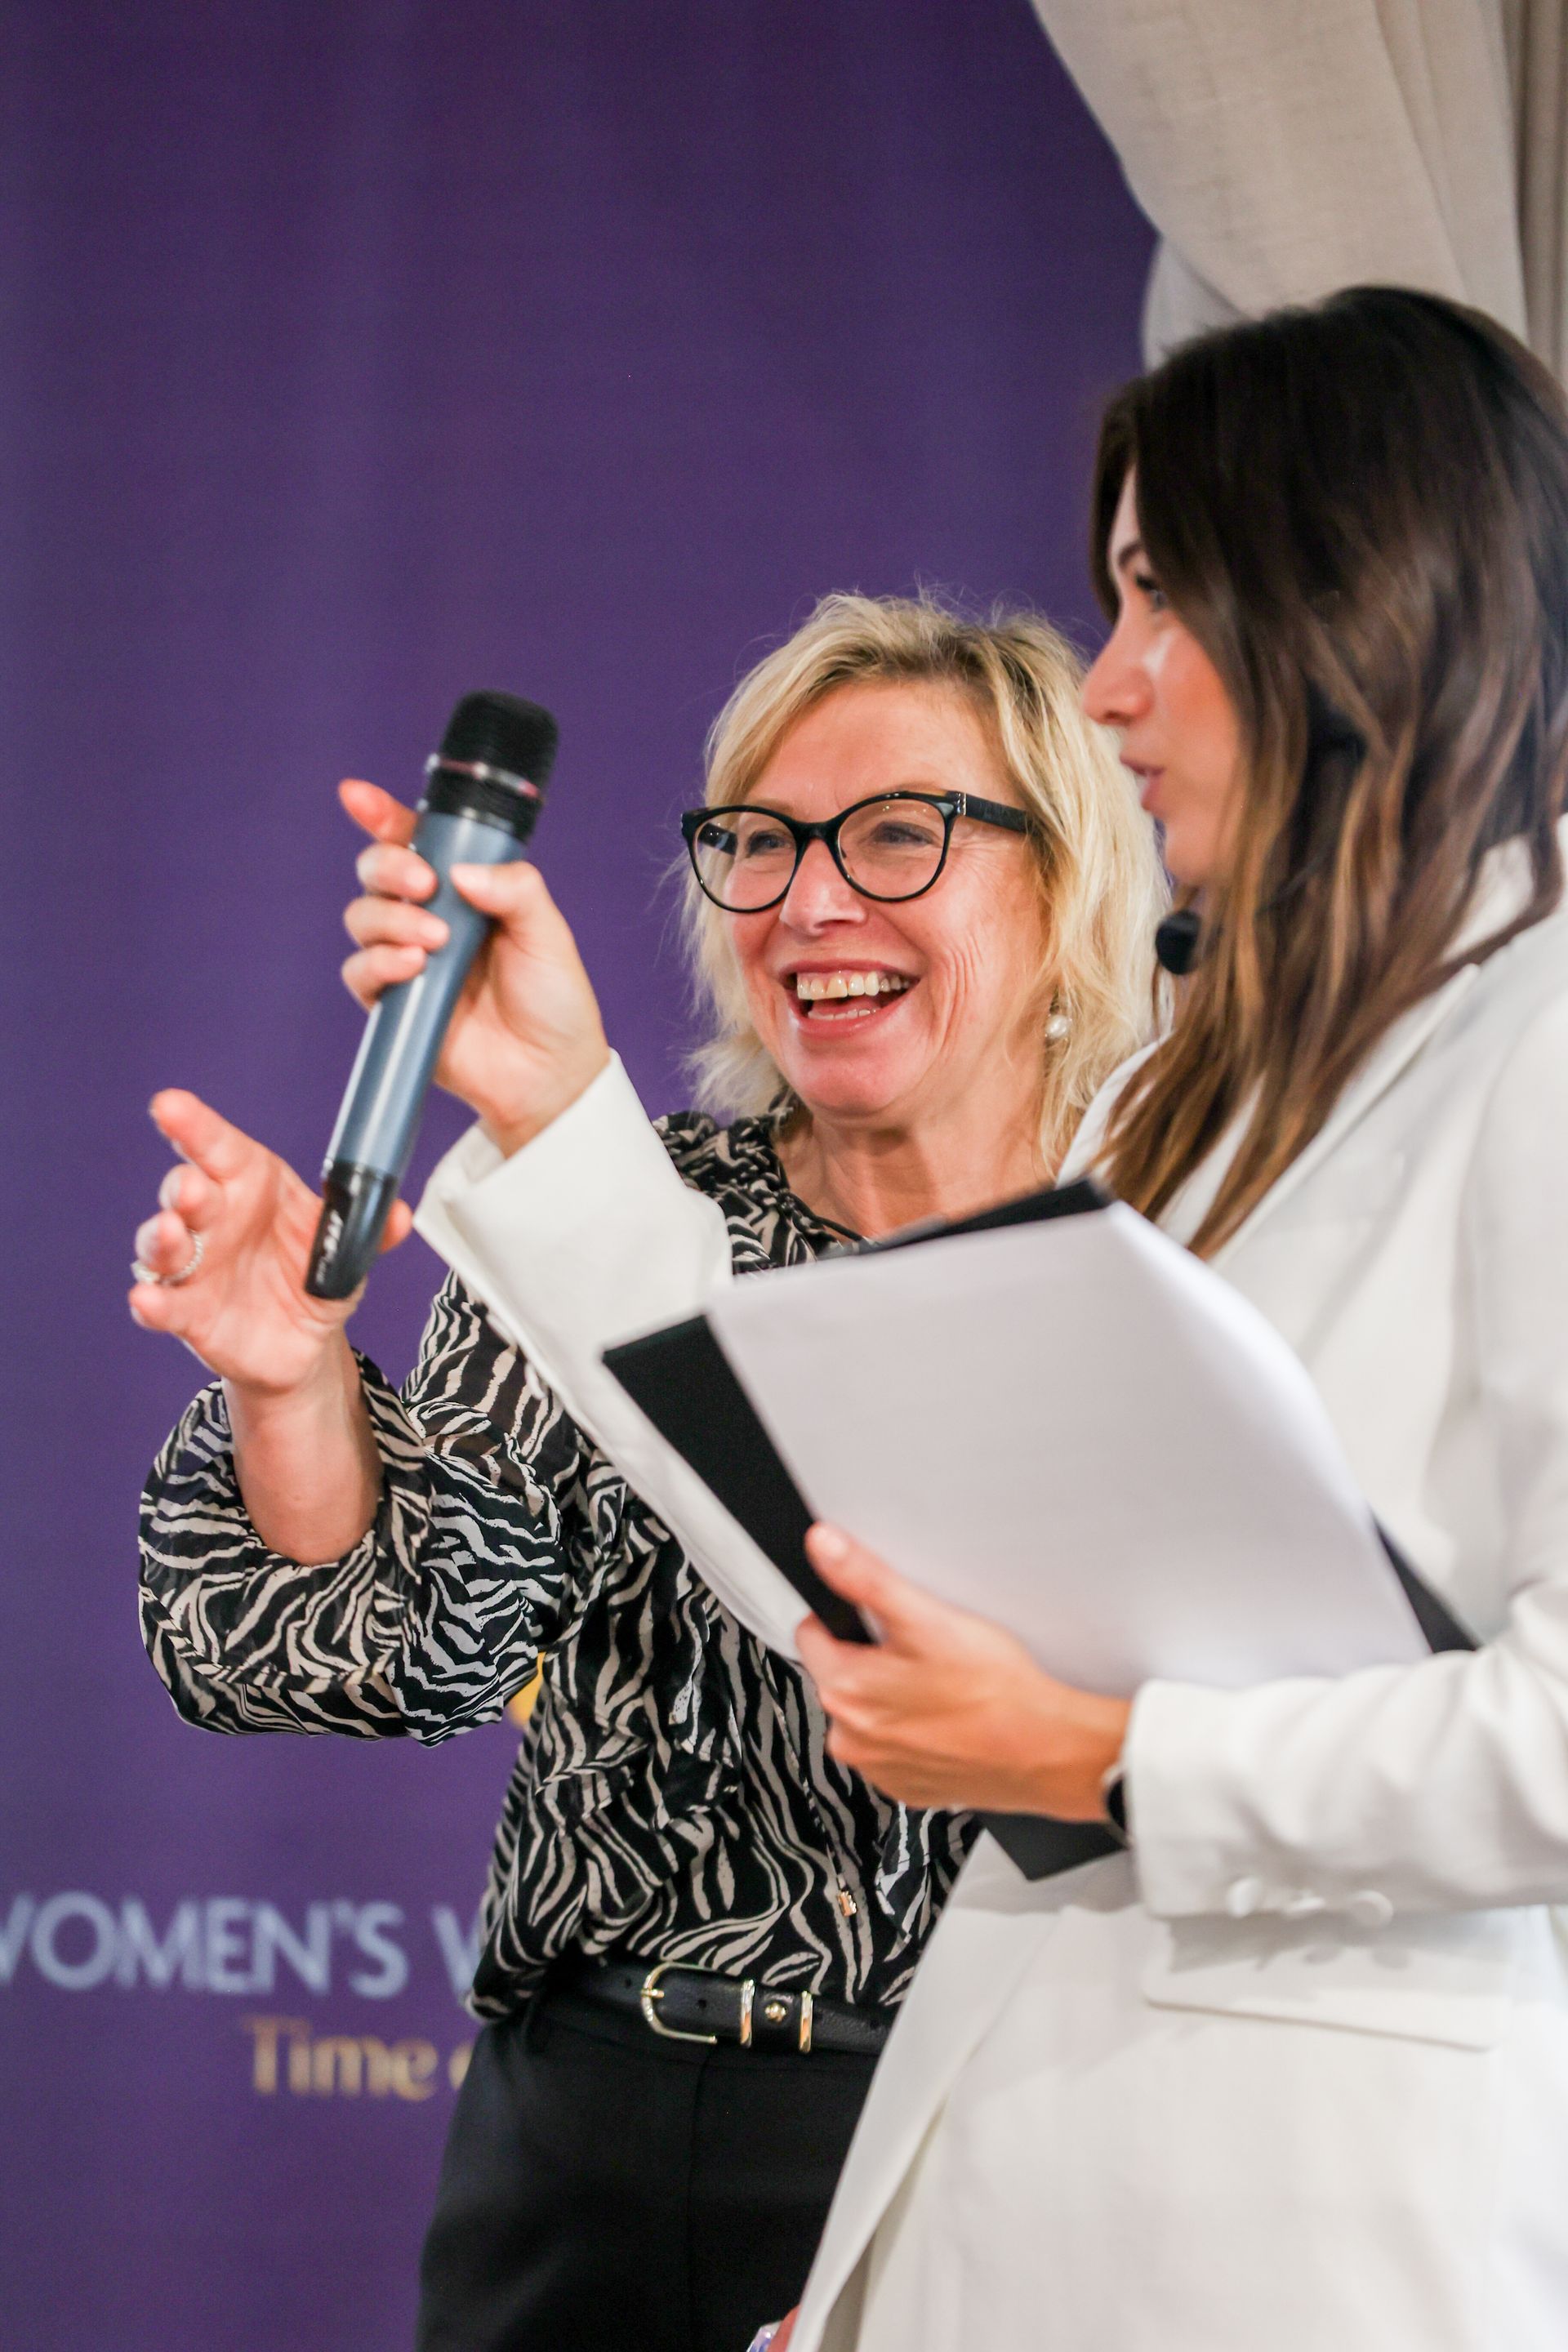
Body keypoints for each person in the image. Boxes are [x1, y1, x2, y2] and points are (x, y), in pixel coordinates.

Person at [422, 288, 1568, 2352]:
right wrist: (560, 1111)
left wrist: (1114, 1755)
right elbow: (871, 1561)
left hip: (1330, 2246)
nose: (1113, 690)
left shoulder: (1550, 1052)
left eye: (1162, 601)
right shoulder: (1215, 1103)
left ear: (1360, 604)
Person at [130, 592, 1163, 2352]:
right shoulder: (618, 1208)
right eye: (757, 847)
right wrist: (294, 1385)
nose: (812, 901)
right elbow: (406, 1649)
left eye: (899, 837)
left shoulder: (1166, 1243)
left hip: (980, 2129)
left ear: (1060, 879)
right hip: (582, 2138)